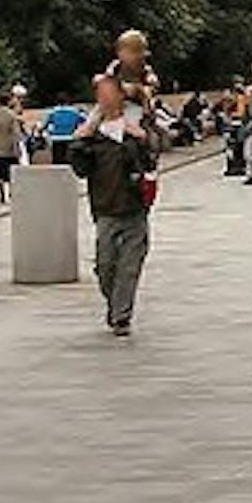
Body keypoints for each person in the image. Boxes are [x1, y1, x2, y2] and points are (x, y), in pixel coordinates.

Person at [69, 74, 153, 337]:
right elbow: (80, 169)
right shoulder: (93, 134)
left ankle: (121, 316)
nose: (103, 98)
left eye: (108, 92)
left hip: (134, 207)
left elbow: (155, 154)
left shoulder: (136, 124)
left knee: (129, 266)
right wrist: (80, 141)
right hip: (104, 208)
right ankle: (115, 305)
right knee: (105, 266)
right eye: (99, 94)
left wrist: (143, 139)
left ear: (120, 95)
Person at [43, 98, 86, 164]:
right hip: (71, 137)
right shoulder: (75, 111)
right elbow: (85, 122)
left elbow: (45, 124)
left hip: (56, 138)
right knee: (70, 161)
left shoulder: (53, 111)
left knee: (57, 160)